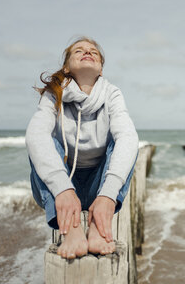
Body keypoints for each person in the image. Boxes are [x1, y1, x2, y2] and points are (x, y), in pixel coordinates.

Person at [25, 36, 139, 260]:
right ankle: (72, 230)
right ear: (66, 67)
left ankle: (98, 226)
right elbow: (35, 135)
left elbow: (127, 137)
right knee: (43, 141)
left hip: (100, 187)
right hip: (62, 188)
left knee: (126, 140)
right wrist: (63, 189)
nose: (87, 52)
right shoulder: (53, 93)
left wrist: (107, 195)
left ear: (101, 70)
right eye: (79, 50)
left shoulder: (112, 94)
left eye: (93, 52)